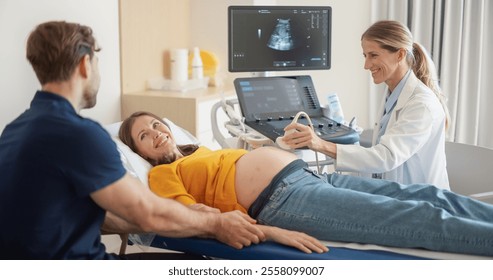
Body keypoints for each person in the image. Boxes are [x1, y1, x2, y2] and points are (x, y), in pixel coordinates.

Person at [0, 21, 327, 260]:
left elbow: (89, 213)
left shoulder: (14, 132)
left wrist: (218, 222)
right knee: (193, 266)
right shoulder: (79, 134)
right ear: (86, 64)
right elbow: (149, 214)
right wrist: (216, 223)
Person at [119, 111, 493, 257]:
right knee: (414, 217)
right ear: (140, 152)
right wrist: (270, 232)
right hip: (282, 201)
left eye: (155, 124)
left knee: (428, 196)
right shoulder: (160, 175)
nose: (154, 133)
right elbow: (195, 216)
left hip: (310, 178)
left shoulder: (197, 150)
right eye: (141, 136)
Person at [281, 20, 451, 189]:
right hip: (393, 196)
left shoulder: (421, 104)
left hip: (422, 204)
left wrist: (320, 144)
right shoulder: (392, 94)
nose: (366, 65)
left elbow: (385, 157)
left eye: (373, 55)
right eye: (365, 56)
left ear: (399, 55)